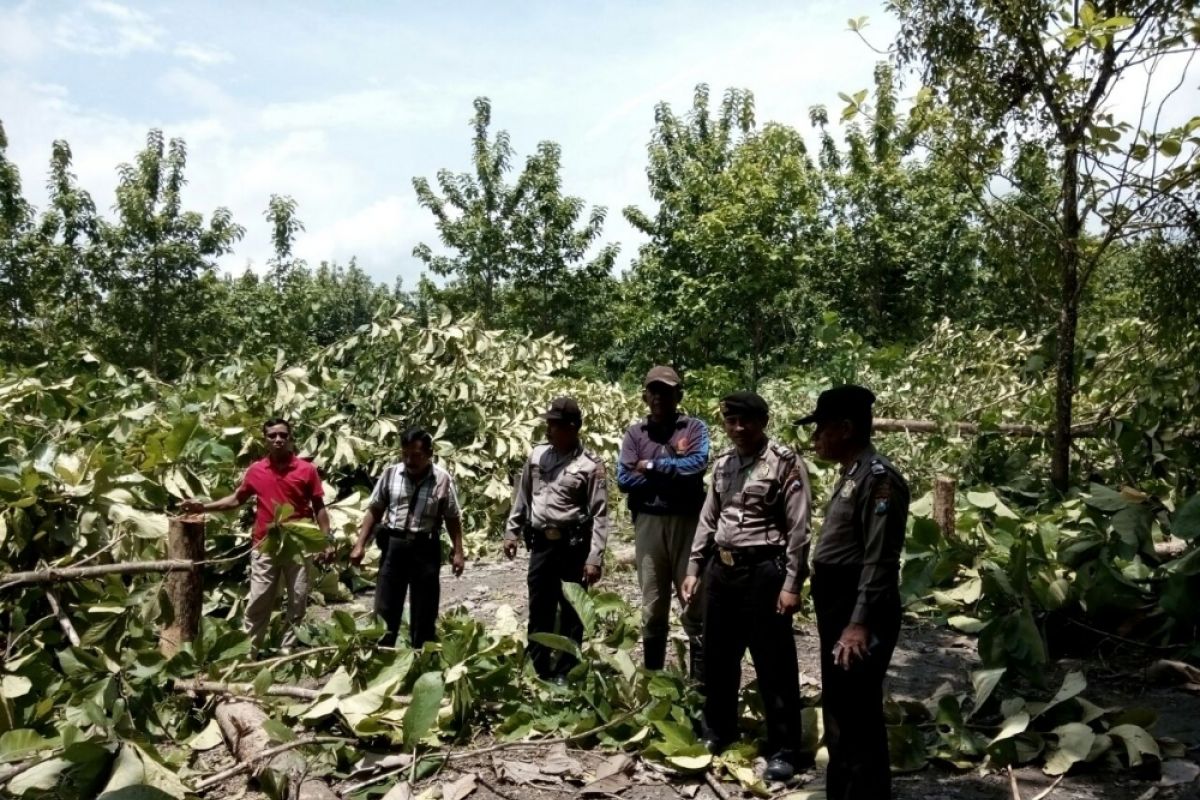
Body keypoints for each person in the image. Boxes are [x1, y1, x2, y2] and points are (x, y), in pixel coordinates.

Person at [681, 391, 810, 783]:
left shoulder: (784, 463)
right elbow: (709, 517)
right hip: (723, 571)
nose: (738, 429)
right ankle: (718, 732)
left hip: (764, 574)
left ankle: (785, 748)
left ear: (763, 421)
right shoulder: (723, 464)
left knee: (774, 662)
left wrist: (791, 583)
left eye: (746, 421)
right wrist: (694, 567)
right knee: (718, 658)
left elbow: (799, 529)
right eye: (731, 421)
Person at [797, 385, 909, 800]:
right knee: (841, 709)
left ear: (845, 428)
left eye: (821, 429)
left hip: (859, 608)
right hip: (839, 605)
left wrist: (858, 622)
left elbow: (879, 559)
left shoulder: (879, 480)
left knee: (858, 713)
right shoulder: (852, 473)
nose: (815, 439)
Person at [181, 418, 332, 649]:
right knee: (259, 599)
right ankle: (249, 649)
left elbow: (318, 506)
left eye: (283, 435)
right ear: (265, 440)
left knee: (298, 599)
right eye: (272, 436)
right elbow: (235, 499)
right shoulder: (256, 470)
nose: (278, 439)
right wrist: (203, 507)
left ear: (290, 438)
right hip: (265, 543)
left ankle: (287, 650)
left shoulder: (306, 470)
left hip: (298, 544)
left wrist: (326, 540)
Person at [504, 396, 610, 682]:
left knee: (572, 610)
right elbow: (523, 496)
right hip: (541, 543)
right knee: (540, 605)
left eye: (555, 425)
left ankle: (565, 670)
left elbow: (600, 514)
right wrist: (512, 531)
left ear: (573, 427)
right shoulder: (538, 456)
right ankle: (537, 666)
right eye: (548, 425)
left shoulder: (590, 466)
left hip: (572, 546)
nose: (549, 431)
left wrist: (595, 557)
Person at [617, 365, 710, 676]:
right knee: (653, 603)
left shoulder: (693, 428)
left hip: (688, 523)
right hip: (649, 523)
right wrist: (672, 472)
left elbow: (696, 466)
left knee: (694, 600)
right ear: (645, 395)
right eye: (653, 391)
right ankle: (653, 679)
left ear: (678, 395)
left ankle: (699, 683)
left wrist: (653, 466)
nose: (659, 397)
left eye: (666, 391)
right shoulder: (635, 433)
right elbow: (624, 479)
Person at [348, 428, 466, 648]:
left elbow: (452, 517)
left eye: (416, 456)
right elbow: (375, 509)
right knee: (386, 604)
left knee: (424, 607)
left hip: (425, 546)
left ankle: (420, 655)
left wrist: (458, 551)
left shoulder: (442, 479)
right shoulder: (391, 474)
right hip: (394, 545)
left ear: (429, 454)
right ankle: (383, 653)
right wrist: (360, 544)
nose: (410, 461)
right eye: (406, 455)